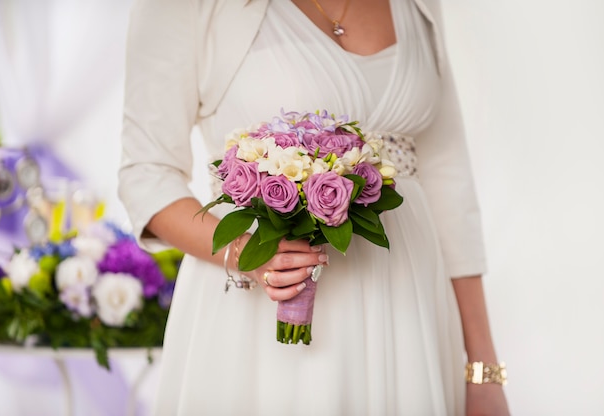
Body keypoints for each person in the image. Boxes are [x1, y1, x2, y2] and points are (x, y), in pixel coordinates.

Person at [118, 0, 511, 414]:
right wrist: (247, 255)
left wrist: (482, 368)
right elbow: (146, 175)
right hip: (258, 316)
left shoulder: (420, 6)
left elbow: (449, 183)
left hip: (408, 313)